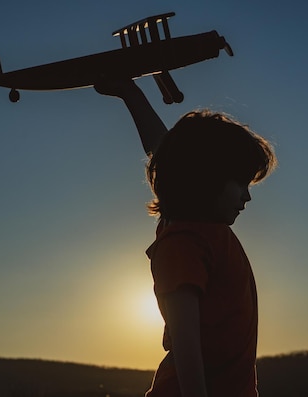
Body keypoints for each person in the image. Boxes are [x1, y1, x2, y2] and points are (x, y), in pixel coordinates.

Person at [96, 80, 277, 397]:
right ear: (207, 179)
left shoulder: (200, 232)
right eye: (240, 183)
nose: (247, 197)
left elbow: (166, 153)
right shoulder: (183, 243)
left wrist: (130, 92)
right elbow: (186, 340)